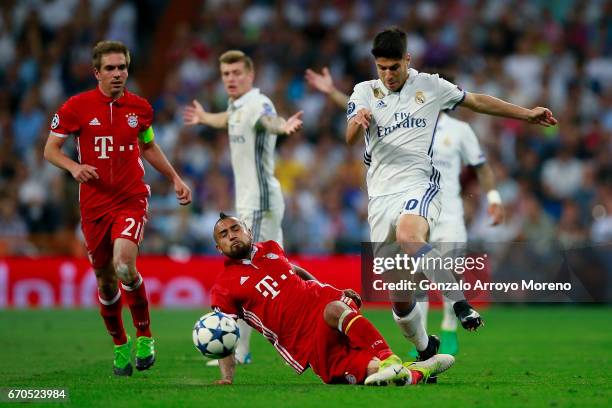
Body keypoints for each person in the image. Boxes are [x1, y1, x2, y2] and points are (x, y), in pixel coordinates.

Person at [317, 27, 556, 362]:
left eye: (394, 67)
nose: (388, 74)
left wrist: (526, 113)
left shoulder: (429, 85)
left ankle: (459, 304)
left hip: (420, 183)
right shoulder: (363, 91)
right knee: (399, 296)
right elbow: (349, 138)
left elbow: (476, 101)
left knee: (409, 234)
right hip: (380, 196)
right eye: (382, 67)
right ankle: (424, 347)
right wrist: (358, 120)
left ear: (407, 60)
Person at [305, 68, 505, 356]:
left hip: (444, 209)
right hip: (395, 203)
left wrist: (494, 198)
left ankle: (451, 326)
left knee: (444, 265)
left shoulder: (460, 131)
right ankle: (425, 344)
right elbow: (361, 110)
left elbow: (481, 165)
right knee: (408, 282)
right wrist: (333, 92)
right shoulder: (402, 116)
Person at [44, 40, 192, 376]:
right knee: (105, 282)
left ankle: (145, 336)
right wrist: (73, 167)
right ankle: (120, 344)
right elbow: (50, 150)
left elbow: (149, 146)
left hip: (130, 199)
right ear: (96, 72)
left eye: (122, 67)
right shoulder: (74, 108)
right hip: (94, 205)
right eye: (110, 68)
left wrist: (175, 178)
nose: (117, 74)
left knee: (124, 265)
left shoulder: (140, 109)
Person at [210, 213, 455, 385]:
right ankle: (420, 370)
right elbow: (224, 334)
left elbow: (294, 270)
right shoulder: (223, 287)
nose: (231, 235)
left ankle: (388, 357)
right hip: (305, 342)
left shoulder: (271, 248)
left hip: (325, 305)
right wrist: (227, 377)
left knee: (333, 310)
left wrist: (326, 288)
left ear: (248, 232)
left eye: (235, 228)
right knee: (373, 374)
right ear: (218, 247)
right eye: (224, 234)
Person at [183, 50, 303, 365]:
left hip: (259, 202)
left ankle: (238, 350)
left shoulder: (258, 104)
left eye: (237, 73)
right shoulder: (236, 106)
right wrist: (204, 118)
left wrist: (283, 127)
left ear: (250, 75)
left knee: (242, 271)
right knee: (277, 270)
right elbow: (227, 119)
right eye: (226, 74)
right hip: (257, 199)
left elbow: (268, 120)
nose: (231, 79)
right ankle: (308, 313)